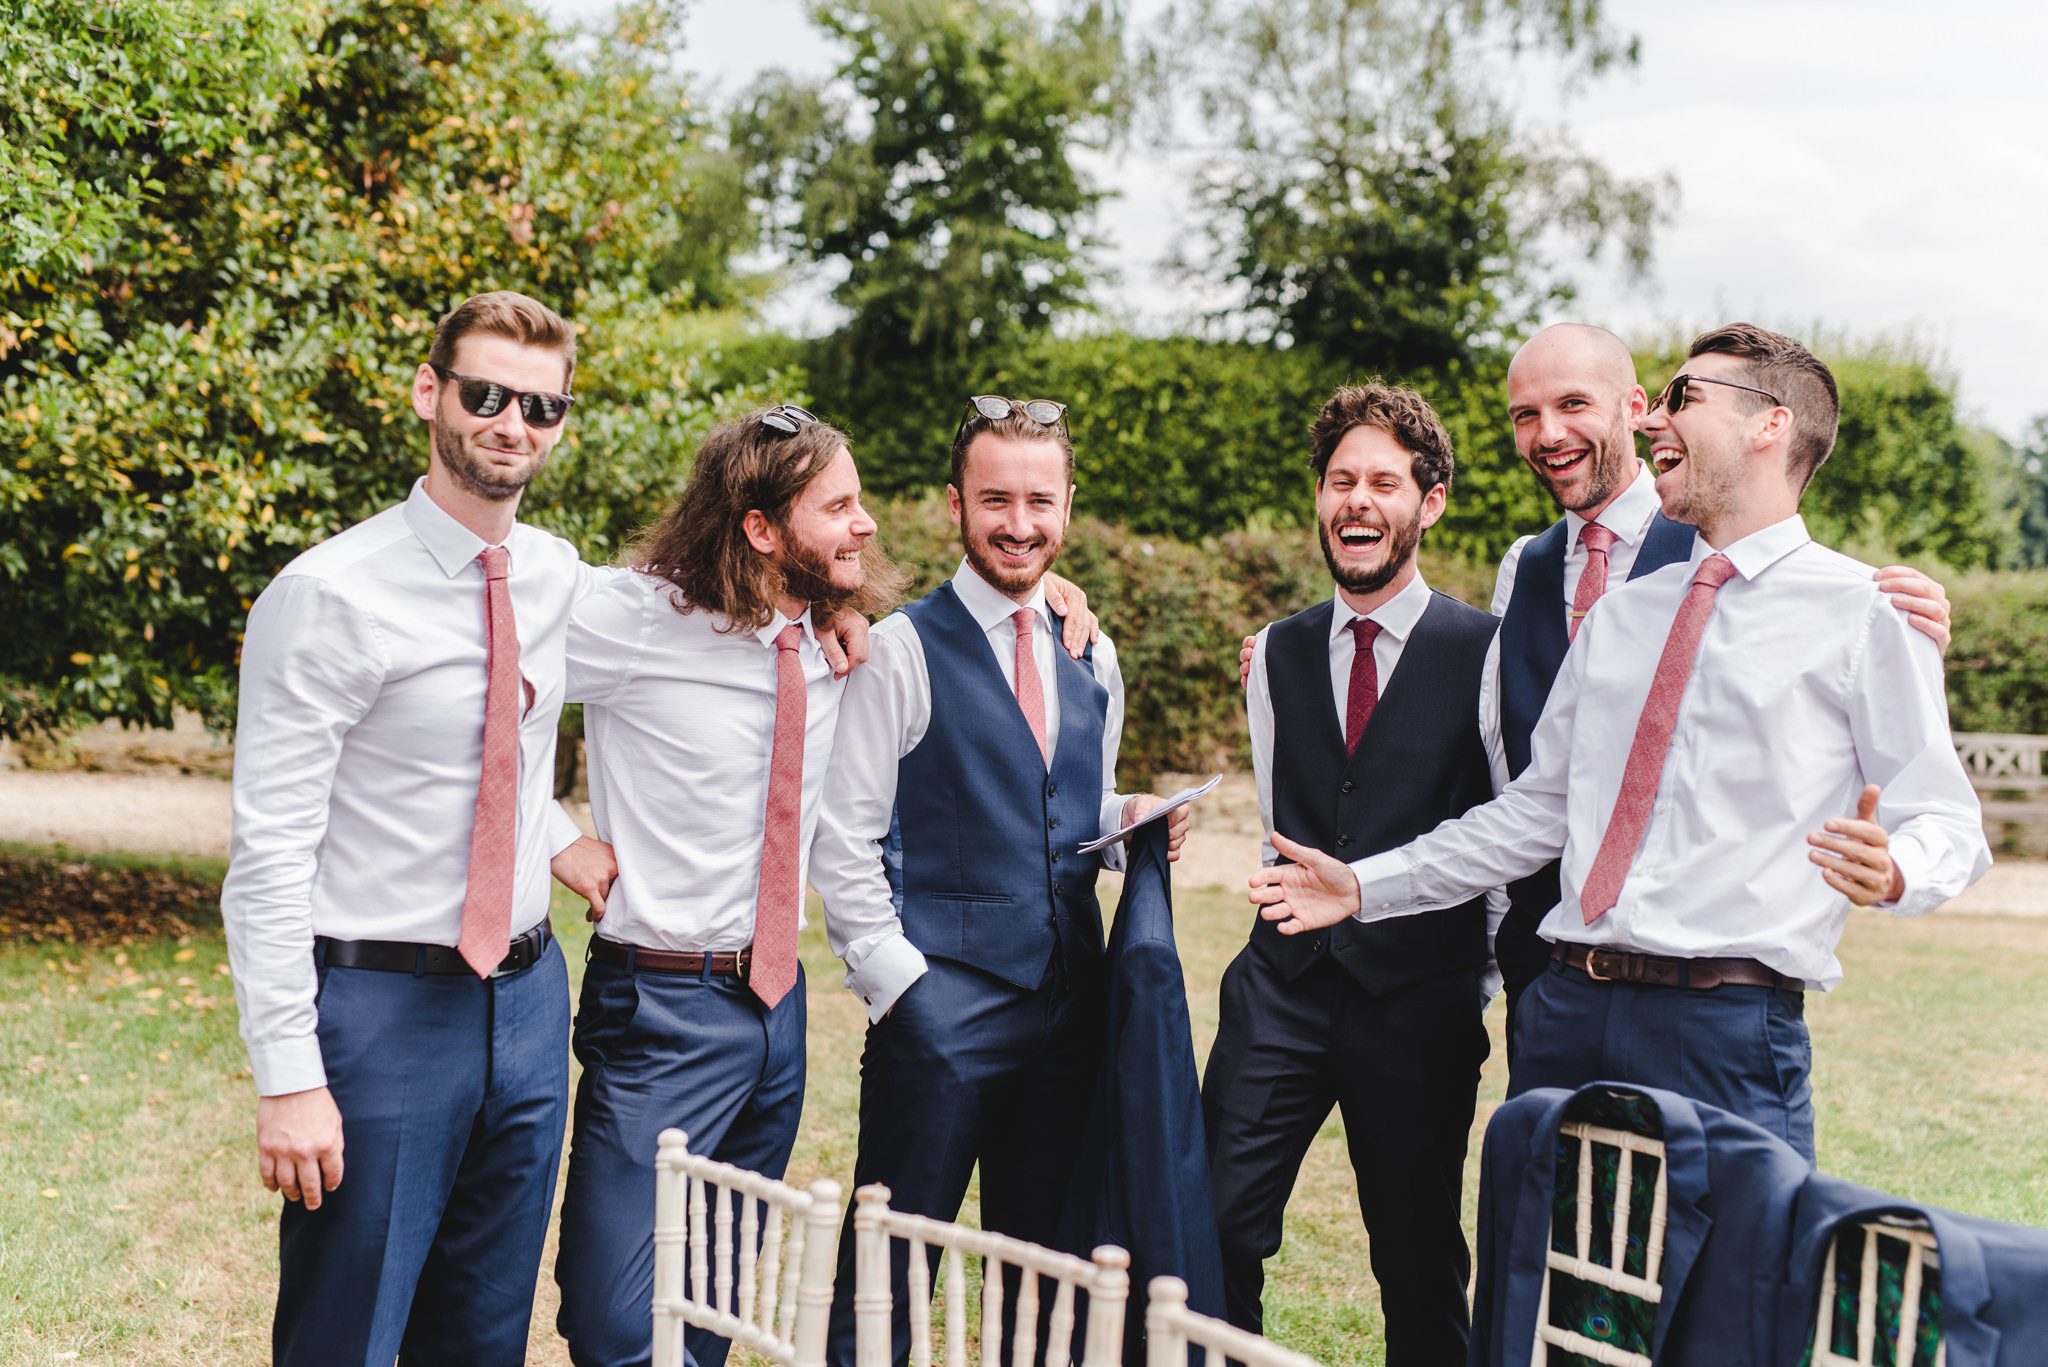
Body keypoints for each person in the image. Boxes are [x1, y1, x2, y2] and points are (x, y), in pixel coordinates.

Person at [1252, 323, 1991, 1162]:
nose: (1651, 424)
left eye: (1683, 399)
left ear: (1769, 423)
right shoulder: (1617, 617)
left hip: (1728, 1030)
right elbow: (1535, 812)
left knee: (1728, 1286)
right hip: (1566, 1009)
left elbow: (1945, 817)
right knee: (1541, 1284)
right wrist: (1363, 883)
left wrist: (1897, 869)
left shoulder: (1866, 611)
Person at [221, 291, 598, 1364]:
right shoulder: (329, 593)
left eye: (541, 405)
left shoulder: (559, 574)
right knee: (350, 1332)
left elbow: (701, 622)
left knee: (483, 1334)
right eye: (484, 394)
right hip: (382, 1013)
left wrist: (837, 602)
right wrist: (288, 1075)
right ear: (430, 393)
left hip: (527, 1007)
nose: (510, 423)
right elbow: (271, 853)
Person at [810, 395, 1189, 1367]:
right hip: (940, 1013)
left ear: (1066, 505)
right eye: (994, 500)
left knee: (1043, 1279)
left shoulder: (1089, 650)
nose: (1018, 524)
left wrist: (1133, 822)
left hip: (1069, 1018)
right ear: (953, 504)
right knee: (886, 1275)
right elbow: (843, 834)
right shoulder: (898, 648)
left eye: (1038, 500)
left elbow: (1070, 812)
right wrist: (903, 987)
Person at [1483, 322, 1955, 1055]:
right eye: (1523, 414)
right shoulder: (1534, 570)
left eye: (1574, 403)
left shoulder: (1801, 577)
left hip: (1722, 1007)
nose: (1548, 433)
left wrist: (1899, 869)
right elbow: (1518, 762)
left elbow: (1933, 805)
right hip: (1555, 975)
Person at [548, 408, 903, 1367]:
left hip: (777, 1014)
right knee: (621, 1320)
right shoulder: (635, 616)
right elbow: (484, 671)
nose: (864, 525)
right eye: (838, 507)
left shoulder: (827, 636)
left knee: (709, 1305)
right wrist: (553, 836)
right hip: (660, 999)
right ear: (759, 528)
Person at [1207, 383, 1498, 1363]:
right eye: (1340, 480)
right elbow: (1279, 810)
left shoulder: (1489, 652)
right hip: (1278, 990)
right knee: (1213, 1225)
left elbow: (1509, 830)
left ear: (1431, 500)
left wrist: (1472, 978)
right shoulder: (1275, 651)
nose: (1357, 501)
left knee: (1415, 1258)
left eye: (1382, 480)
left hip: (1418, 998)